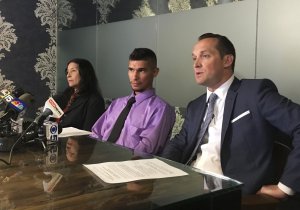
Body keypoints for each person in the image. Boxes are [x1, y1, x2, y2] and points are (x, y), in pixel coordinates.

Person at [161, 33, 300, 199]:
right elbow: (179, 142)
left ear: (227, 61)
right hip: (186, 185)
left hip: (229, 194)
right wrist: (160, 168)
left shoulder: (254, 93)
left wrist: (285, 187)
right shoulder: (195, 105)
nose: (196, 64)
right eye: (194, 58)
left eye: (205, 56)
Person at [91, 48, 175, 155]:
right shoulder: (117, 103)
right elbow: (95, 133)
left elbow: (145, 151)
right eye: (131, 70)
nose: (134, 77)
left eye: (141, 70)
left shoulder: (161, 109)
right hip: (99, 159)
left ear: (155, 72)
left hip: (128, 165)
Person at [53, 58, 105, 131]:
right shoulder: (63, 96)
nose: (68, 75)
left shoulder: (95, 101)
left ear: (84, 73)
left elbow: (88, 133)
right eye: (67, 72)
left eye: (73, 71)